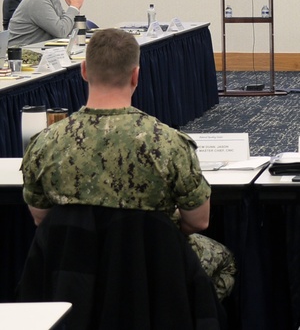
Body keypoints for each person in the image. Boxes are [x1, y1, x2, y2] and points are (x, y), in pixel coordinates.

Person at [20, 28, 237, 300]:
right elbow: (198, 220)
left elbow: (42, 218)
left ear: (84, 71)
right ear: (136, 75)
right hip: (151, 274)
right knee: (224, 261)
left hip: (74, 274)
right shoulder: (168, 143)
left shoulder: (44, 143)